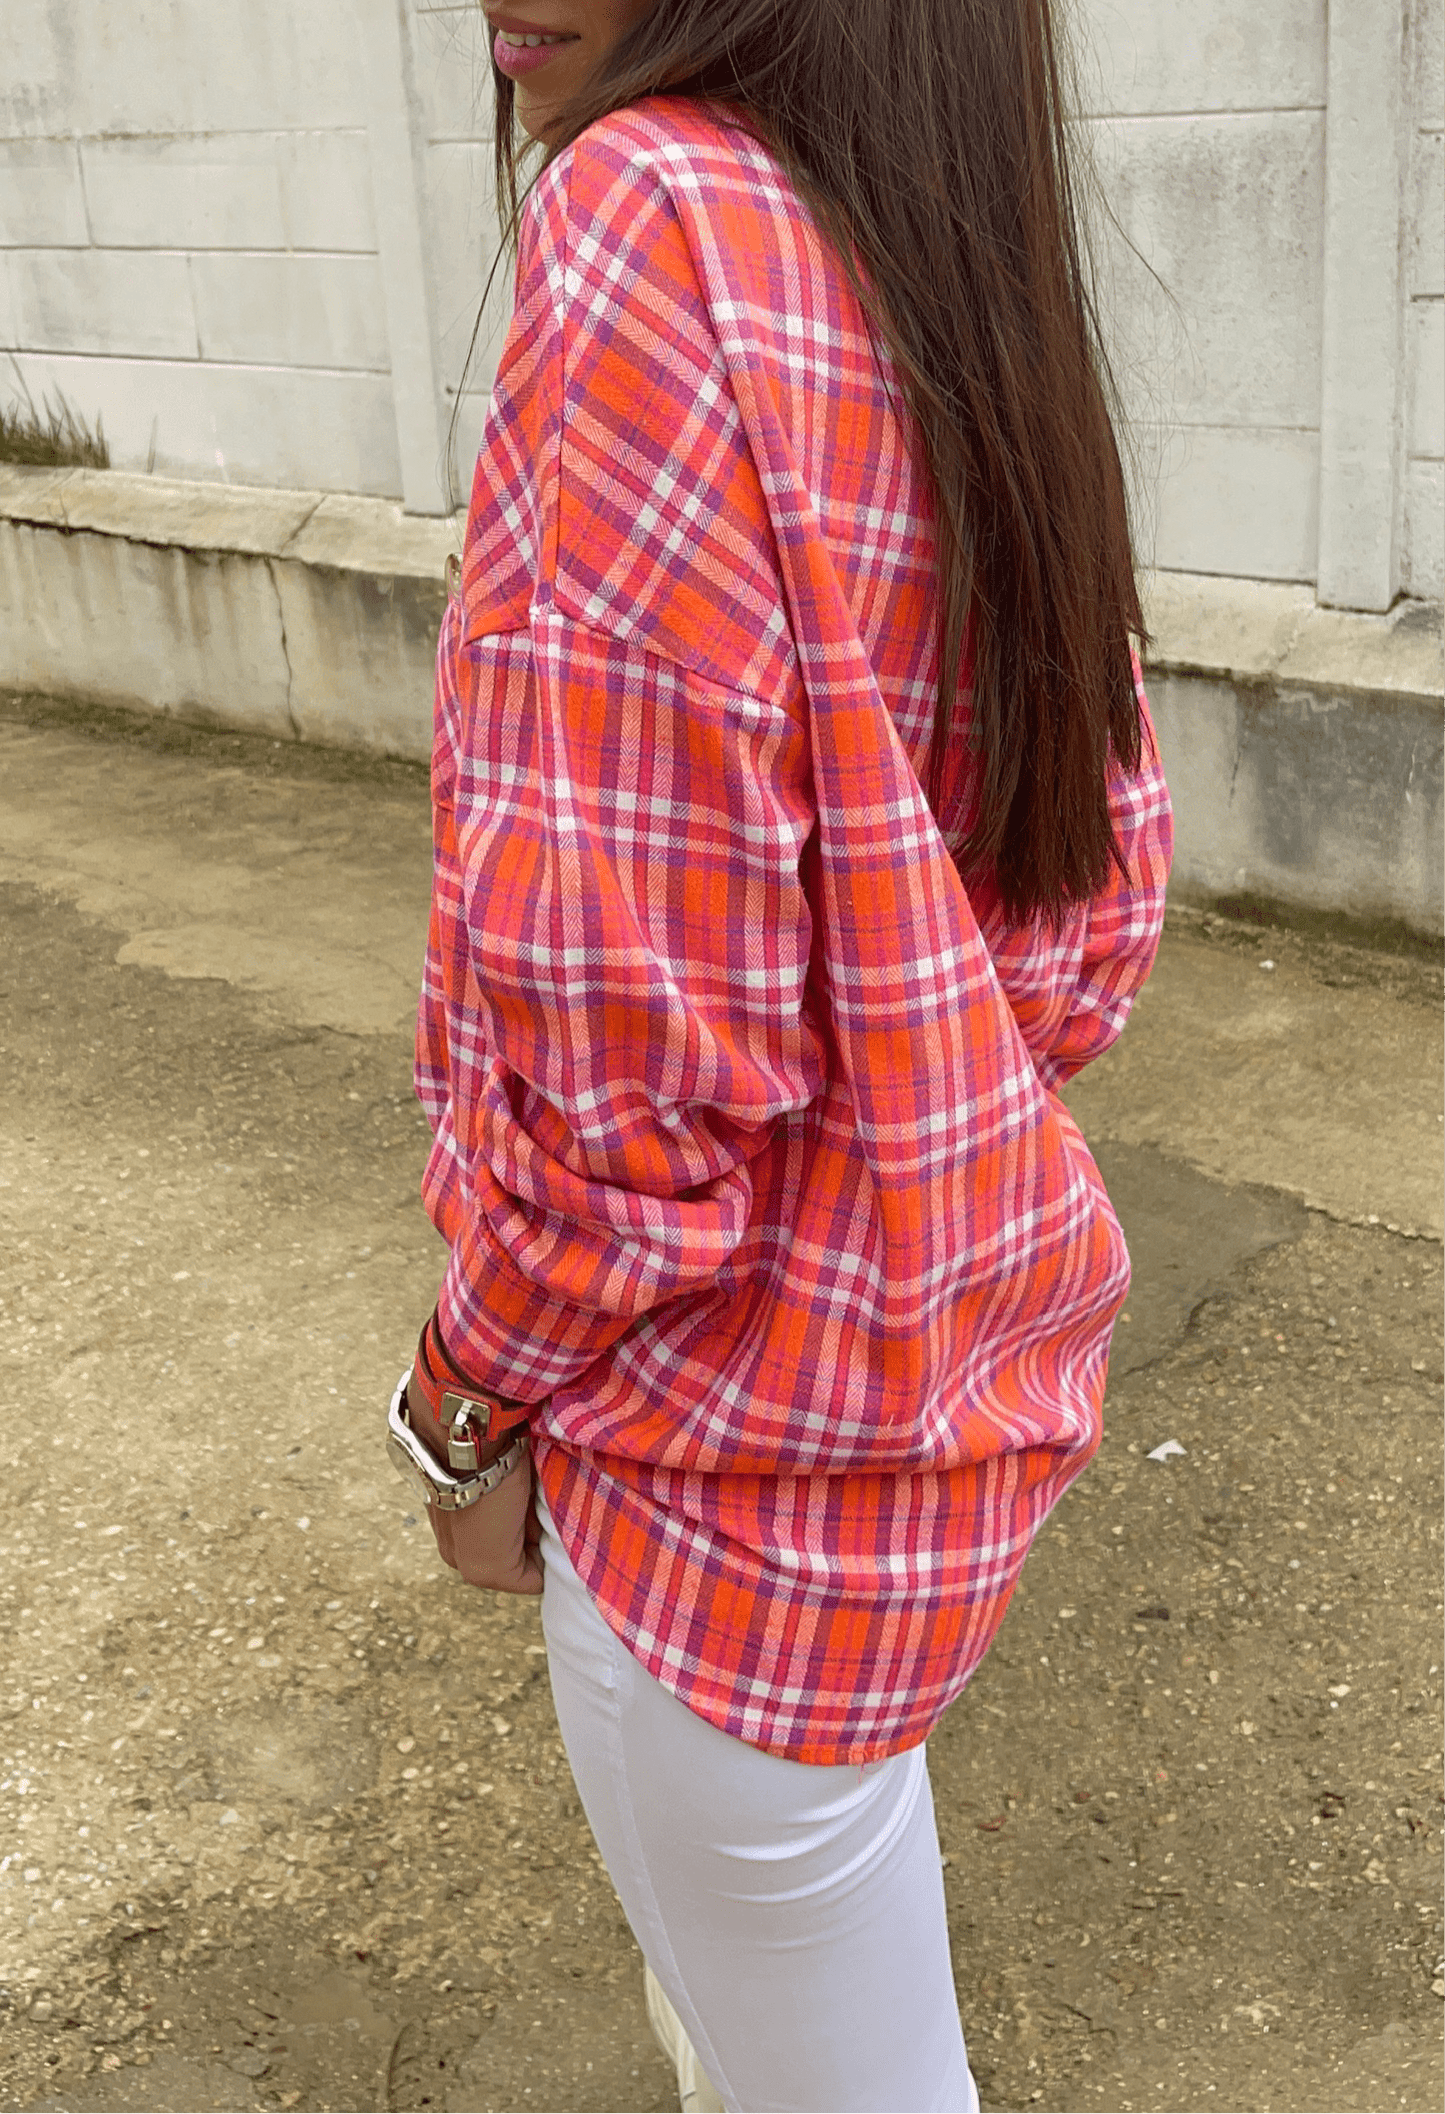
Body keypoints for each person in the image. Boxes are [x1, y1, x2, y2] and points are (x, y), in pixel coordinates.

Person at [384, 4, 1173, 2109]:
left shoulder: (647, 219)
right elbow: (1084, 925)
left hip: (715, 1499)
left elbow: (621, 1101)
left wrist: (459, 1403)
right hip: (925, 1441)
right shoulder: (936, 252)